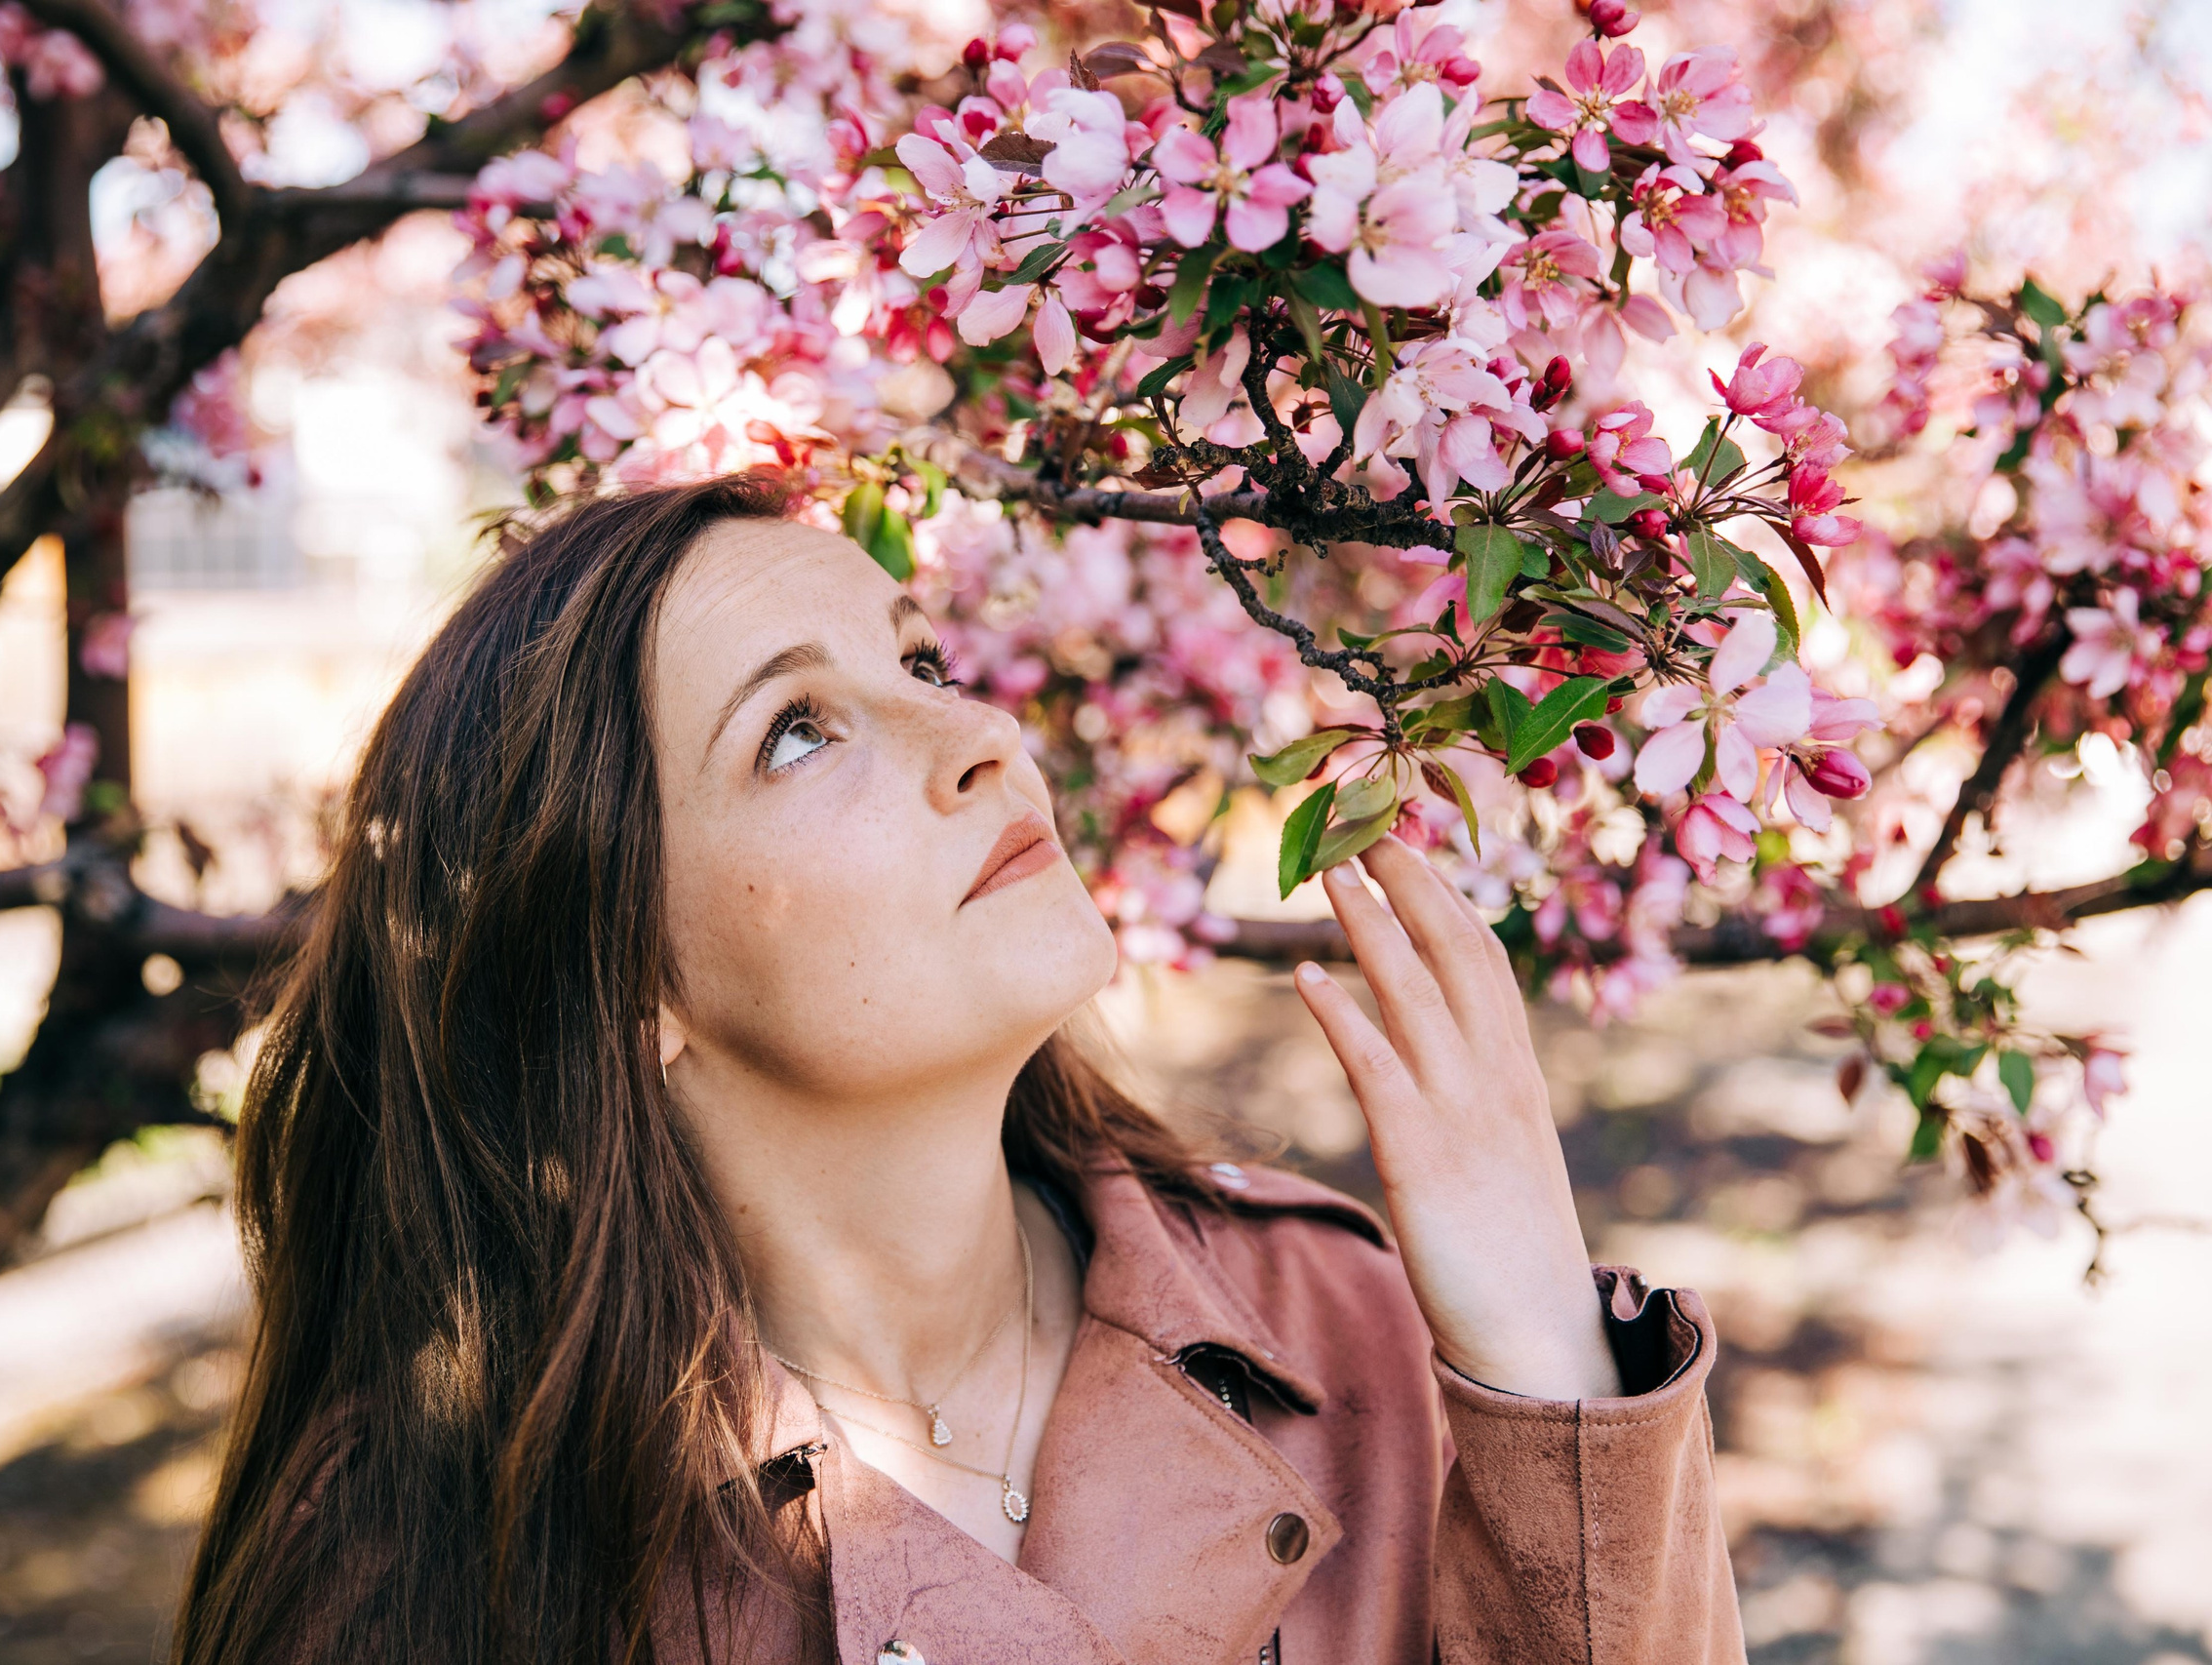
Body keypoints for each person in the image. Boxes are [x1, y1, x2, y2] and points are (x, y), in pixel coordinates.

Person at [171, 476, 1744, 1665]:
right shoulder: (443, 1560)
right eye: (797, 729)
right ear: (621, 976)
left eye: (917, 659)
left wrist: (1547, 1366)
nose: (980, 730)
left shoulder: (1344, 1322)